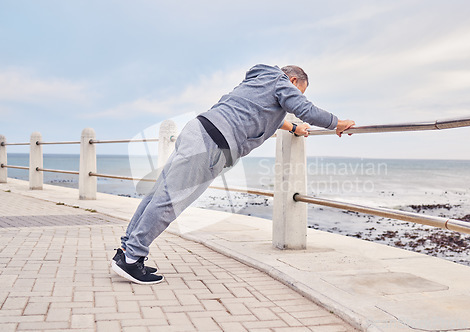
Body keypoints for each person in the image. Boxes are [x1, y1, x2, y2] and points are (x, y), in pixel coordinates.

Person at [111, 64, 355, 284]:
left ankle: (127, 251)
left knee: (158, 195)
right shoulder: (282, 83)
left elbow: (261, 112)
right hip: (214, 145)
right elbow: (305, 109)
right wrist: (337, 123)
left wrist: (292, 126)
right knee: (169, 202)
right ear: (293, 82)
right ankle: (132, 258)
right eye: (298, 92)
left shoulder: (260, 79)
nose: (294, 99)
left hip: (198, 129)